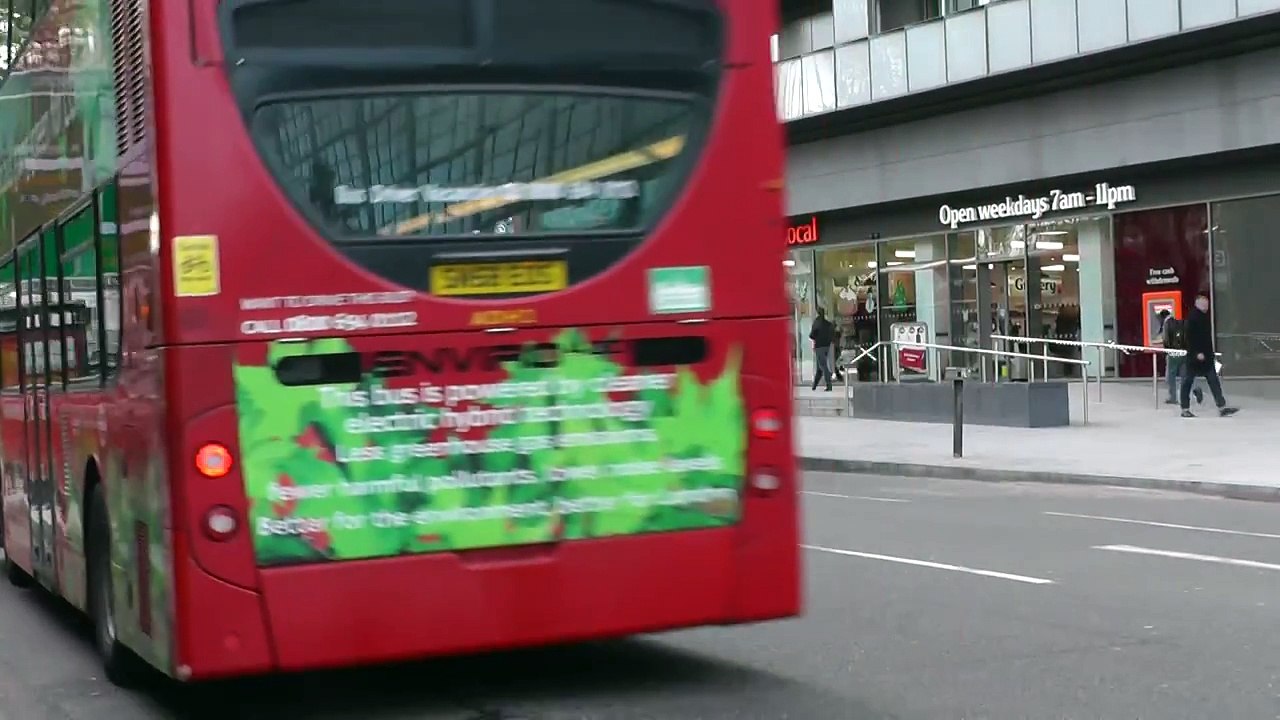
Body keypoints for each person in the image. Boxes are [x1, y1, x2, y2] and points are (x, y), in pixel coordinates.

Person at [1180, 292, 1238, 418]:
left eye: (1207, 303)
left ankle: (1221, 406)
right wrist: (1197, 353)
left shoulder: (1203, 317)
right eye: (1204, 303)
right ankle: (1185, 408)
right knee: (1188, 381)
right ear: (1198, 304)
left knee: (1213, 380)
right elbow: (1190, 337)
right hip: (1196, 356)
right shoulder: (1194, 317)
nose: (1206, 305)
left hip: (1206, 355)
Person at [1158, 309, 1202, 406]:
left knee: (1170, 376)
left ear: (1162, 317)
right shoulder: (1180, 323)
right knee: (1185, 376)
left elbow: (1165, 339)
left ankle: (1173, 397)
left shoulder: (1167, 324)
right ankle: (1195, 389)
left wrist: (1167, 351)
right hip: (1184, 352)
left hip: (1173, 354)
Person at [809, 308, 834, 392]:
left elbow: (812, 335)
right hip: (826, 346)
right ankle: (814, 386)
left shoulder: (817, 322)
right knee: (820, 367)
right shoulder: (828, 323)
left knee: (823, 366)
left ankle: (829, 385)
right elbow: (831, 333)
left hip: (819, 346)